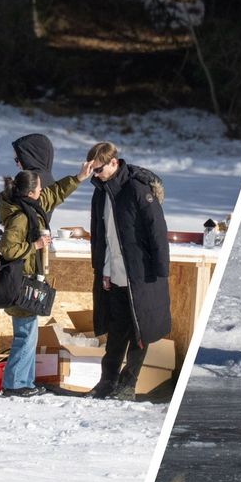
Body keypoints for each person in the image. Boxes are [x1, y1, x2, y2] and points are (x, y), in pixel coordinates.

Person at [0, 160, 94, 397]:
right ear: (30, 192)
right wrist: (36, 245)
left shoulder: (31, 205)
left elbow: (54, 193)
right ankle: (15, 384)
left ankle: (24, 382)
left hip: (28, 280)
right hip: (21, 283)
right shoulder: (21, 217)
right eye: (39, 187)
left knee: (29, 335)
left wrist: (79, 177)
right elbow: (8, 249)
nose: (42, 190)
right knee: (25, 336)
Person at [86, 142, 171, 400]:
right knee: (116, 332)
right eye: (92, 171)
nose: (96, 175)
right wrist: (104, 270)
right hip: (116, 274)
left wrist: (160, 269)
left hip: (141, 274)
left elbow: (156, 229)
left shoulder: (136, 189)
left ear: (113, 163)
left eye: (98, 169)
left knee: (140, 333)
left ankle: (127, 384)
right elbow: (103, 236)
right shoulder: (101, 193)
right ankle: (107, 381)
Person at [11, 134, 57, 216]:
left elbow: (19, 214)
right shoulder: (46, 177)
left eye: (18, 159)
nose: (17, 164)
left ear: (28, 157)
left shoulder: (32, 181)